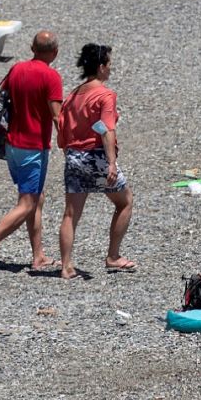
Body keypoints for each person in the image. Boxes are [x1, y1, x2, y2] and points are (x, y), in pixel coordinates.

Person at [0, 32, 64, 274]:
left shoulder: (16, 69)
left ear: (32, 47)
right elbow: (57, 116)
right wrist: (70, 142)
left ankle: (38, 256)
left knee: (36, 198)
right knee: (27, 202)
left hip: (12, 144)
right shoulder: (52, 76)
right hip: (33, 147)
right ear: (55, 52)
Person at [57, 43, 135, 279]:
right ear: (101, 67)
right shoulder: (105, 95)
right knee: (125, 202)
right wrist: (111, 162)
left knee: (71, 214)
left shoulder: (73, 95)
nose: (110, 69)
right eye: (109, 64)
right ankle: (113, 256)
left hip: (73, 156)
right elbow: (106, 129)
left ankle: (66, 265)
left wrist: (68, 152)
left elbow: (62, 128)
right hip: (96, 156)